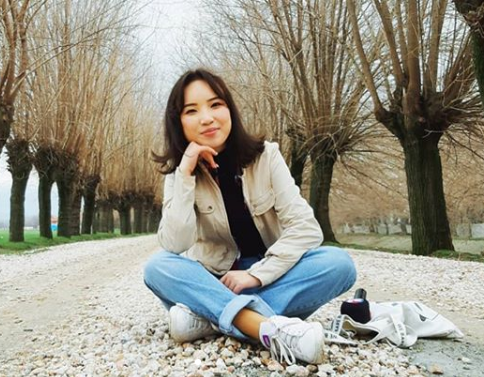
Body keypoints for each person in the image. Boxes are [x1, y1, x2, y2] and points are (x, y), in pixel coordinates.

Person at [144, 69, 356, 365]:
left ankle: (210, 319)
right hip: (215, 280)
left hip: (271, 275)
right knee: (157, 267)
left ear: (230, 109)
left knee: (338, 264)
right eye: (192, 111)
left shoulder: (266, 156)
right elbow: (175, 243)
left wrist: (256, 274)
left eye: (216, 105)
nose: (207, 118)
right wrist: (186, 173)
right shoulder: (180, 173)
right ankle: (268, 328)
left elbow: (306, 229)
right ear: (178, 122)